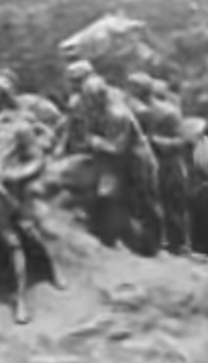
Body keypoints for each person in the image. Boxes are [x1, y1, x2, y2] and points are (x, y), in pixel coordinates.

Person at [77, 74, 163, 254]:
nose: (87, 103)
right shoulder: (97, 110)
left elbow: (117, 148)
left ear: (100, 97)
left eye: (91, 99)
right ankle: (106, 235)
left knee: (146, 200)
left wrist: (93, 141)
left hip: (136, 159)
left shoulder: (116, 115)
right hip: (112, 160)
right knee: (103, 195)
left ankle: (154, 244)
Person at [126, 72, 192, 254]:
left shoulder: (169, 113)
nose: (131, 93)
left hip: (169, 165)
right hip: (144, 165)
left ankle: (179, 245)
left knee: (173, 206)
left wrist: (154, 142)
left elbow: (183, 142)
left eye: (135, 89)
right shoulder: (133, 111)